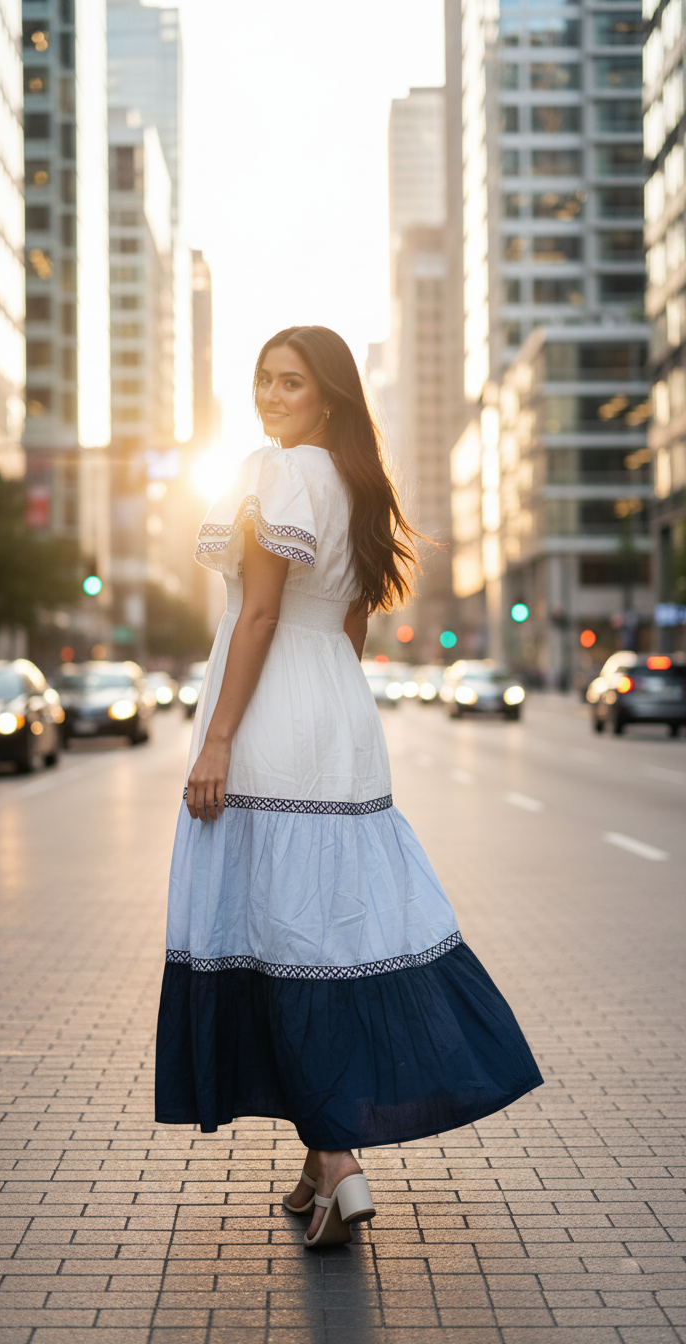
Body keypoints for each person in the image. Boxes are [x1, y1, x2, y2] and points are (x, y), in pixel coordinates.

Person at [155, 325, 543, 1248]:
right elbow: (351, 627)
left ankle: (338, 1159)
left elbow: (256, 615)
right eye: (263, 380)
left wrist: (216, 742)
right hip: (335, 711)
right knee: (319, 932)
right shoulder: (363, 488)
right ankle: (318, 1163)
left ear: (328, 395)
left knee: (272, 934)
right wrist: (326, 711)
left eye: (291, 382)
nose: (271, 397)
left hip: (268, 717)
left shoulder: (275, 473)